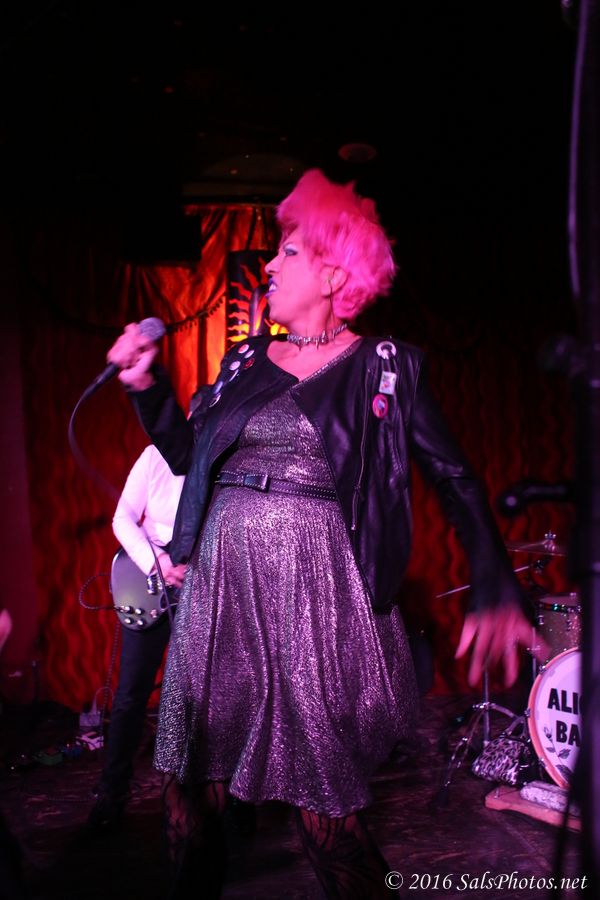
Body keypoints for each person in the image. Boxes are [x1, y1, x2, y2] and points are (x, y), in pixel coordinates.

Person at [107, 169, 546, 897]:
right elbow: (189, 456)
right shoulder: (245, 361)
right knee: (187, 790)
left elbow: (454, 477)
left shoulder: (382, 367)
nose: (268, 265)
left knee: (323, 812)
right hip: (222, 589)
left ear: (336, 274)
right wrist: (146, 387)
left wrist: (496, 582)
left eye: (289, 252)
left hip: (311, 596)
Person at [87, 444, 186, 830]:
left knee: (207, 696)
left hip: (201, 580)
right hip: (152, 578)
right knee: (130, 694)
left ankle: (225, 800)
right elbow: (123, 518)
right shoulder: (155, 455)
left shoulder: (225, 450)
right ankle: (112, 791)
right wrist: (158, 562)